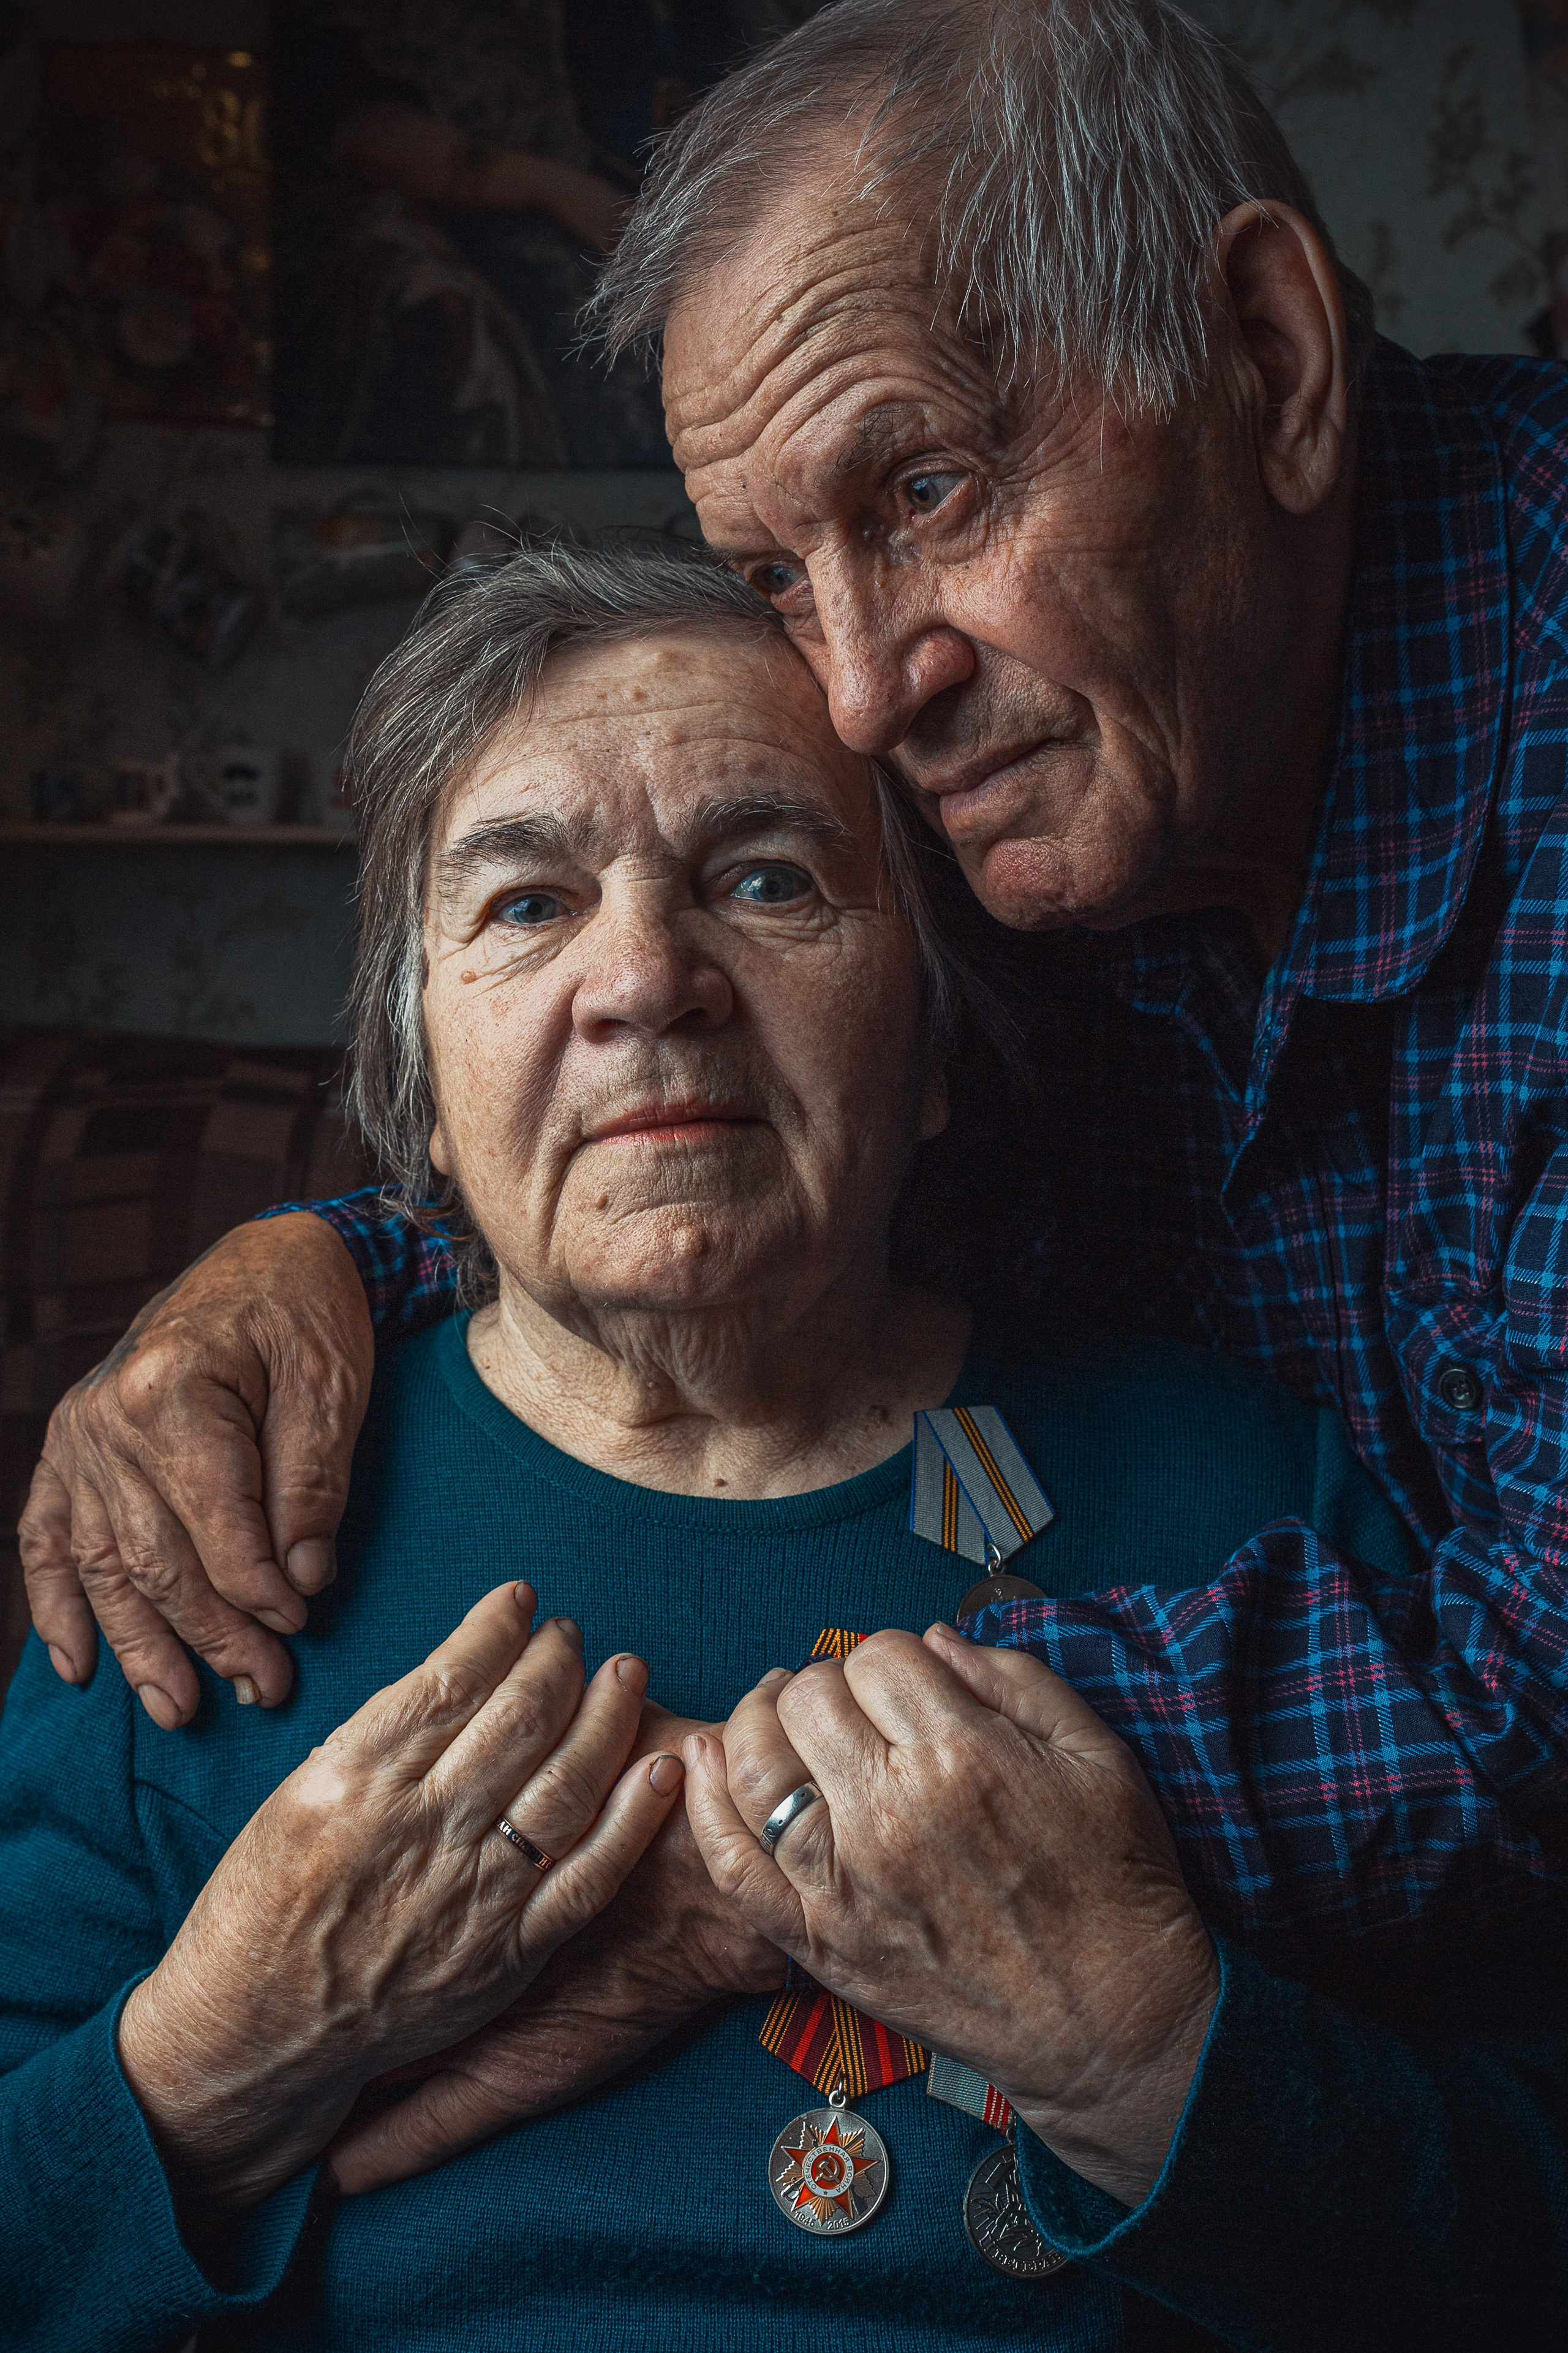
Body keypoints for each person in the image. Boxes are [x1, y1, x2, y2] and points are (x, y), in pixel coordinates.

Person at [18, 0, 1568, 2184]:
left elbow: (1538, 1702)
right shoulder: (1097, 768)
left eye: (925, 489)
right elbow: (727, 1122)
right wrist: (314, 1258)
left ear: (1273, 360)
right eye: (770, 573)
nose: (859, 689)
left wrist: (731, 1856)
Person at [5, 543, 1565, 2352]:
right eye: (525, 904)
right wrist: (206, 2066)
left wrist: (1155, 2052)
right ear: (416, 1072)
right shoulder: (206, 1523)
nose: (647, 979)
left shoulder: (1245, 1492)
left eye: (767, 876)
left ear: (932, 1043)